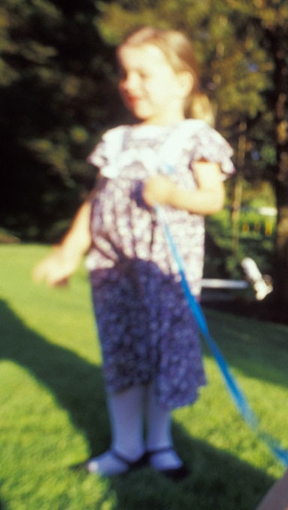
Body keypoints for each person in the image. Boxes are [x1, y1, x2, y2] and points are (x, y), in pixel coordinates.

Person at [33, 26, 235, 479]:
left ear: (181, 82)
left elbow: (213, 199)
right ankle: (126, 447)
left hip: (163, 269)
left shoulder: (194, 136)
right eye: (125, 73)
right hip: (112, 269)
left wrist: (172, 194)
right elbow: (95, 201)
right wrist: (69, 251)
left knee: (163, 352)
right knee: (122, 352)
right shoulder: (117, 140)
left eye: (144, 74)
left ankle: (160, 444)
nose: (129, 83)